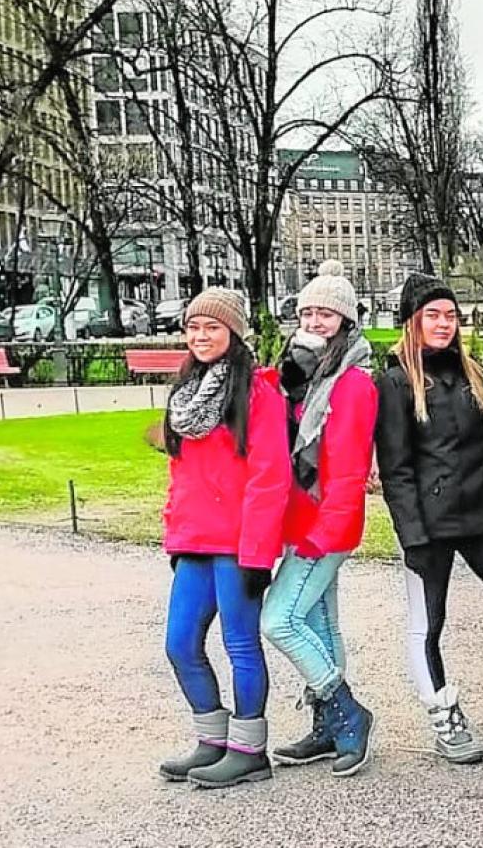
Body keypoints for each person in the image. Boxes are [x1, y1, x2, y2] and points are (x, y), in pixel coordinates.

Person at [376, 274, 483, 766]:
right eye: (433, 315)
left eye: (450, 315)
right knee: (429, 624)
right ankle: (443, 711)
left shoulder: (474, 375)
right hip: (430, 524)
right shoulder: (397, 382)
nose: (444, 323)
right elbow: (396, 468)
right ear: (413, 321)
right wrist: (413, 536)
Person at [157, 288, 290, 789]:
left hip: (237, 544)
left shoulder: (258, 392)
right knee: (180, 644)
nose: (200, 336)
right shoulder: (185, 394)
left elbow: (269, 476)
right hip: (194, 539)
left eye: (211, 327)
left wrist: (257, 553)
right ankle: (211, 737)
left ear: (232, 332)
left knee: (240, 643)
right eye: (193, 327)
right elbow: (181, 474)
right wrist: (176, 532)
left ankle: (249, 749)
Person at [261, 262, 379, 778]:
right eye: (307, 310)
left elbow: (349, 469)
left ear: (346, 321)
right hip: (294, 521)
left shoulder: (352, 384)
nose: (314, 320)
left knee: (279, 620)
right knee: (318, 621)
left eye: (326, 312)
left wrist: (325, 534)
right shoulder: (296, 376)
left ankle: (347, 712)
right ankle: (329, 727)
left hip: (324, 528)